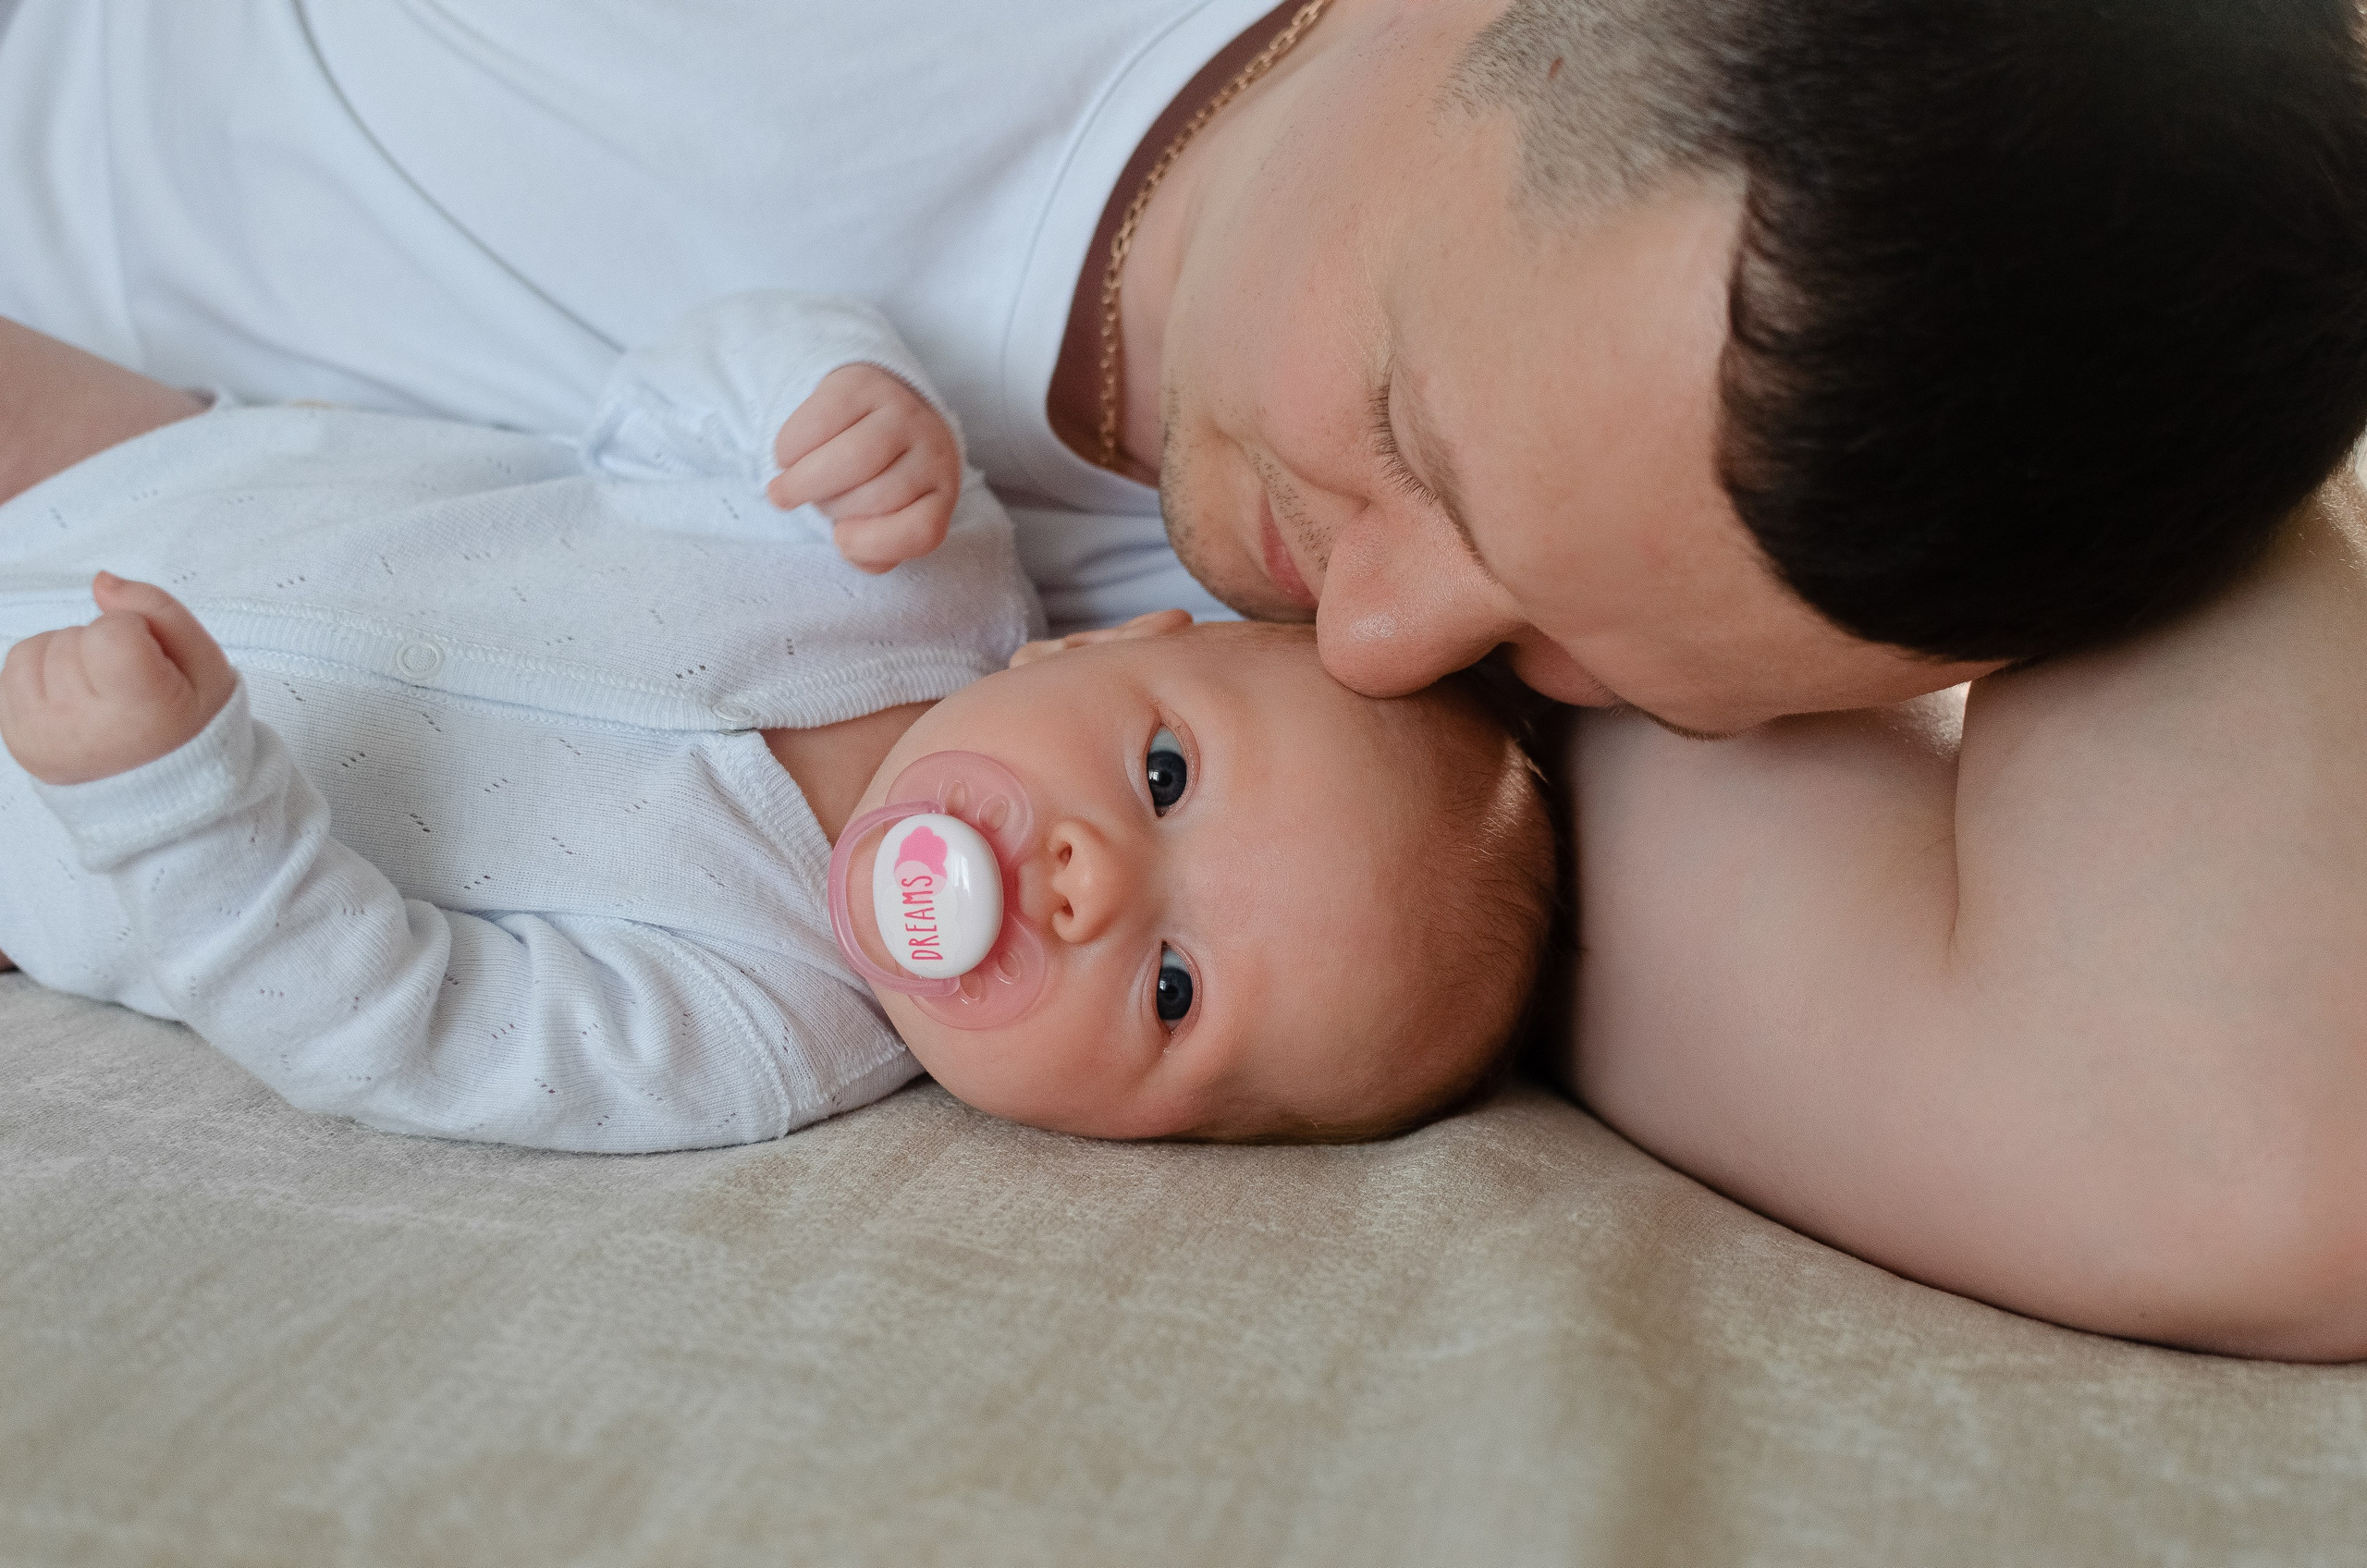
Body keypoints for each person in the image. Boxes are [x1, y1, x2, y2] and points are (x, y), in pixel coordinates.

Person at [4, 0, 2364, 1354]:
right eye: (1413, 444)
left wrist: (2173, 307)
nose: (1367, 633)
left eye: (1569, 646)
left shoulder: (1354, 768)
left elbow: (2250, 1166)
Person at [0, 306, 1554, 1151]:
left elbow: (397, 1031)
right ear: (1123, 637)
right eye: (1163, 777)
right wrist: (826, 386)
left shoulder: (749, 1037)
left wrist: (174, 801)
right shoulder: (920, 552)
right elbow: (648, 414)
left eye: (1171, 988)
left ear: (1135, 1137)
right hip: (182, 472)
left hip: (61, 805)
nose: (1090, 885)